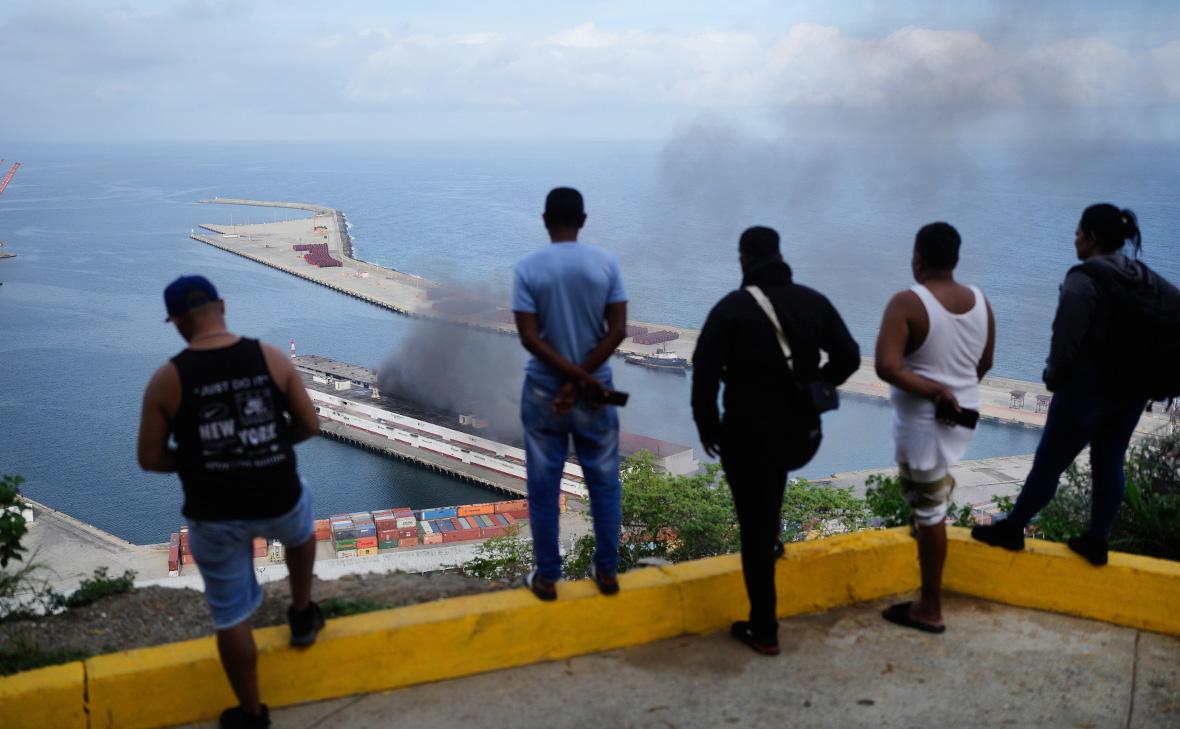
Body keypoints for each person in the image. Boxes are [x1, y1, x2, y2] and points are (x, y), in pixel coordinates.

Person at [137, 275, 324, 729]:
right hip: (277, 493)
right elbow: (309, 426)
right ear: (223, 305)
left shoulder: (167, 379)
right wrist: (267, 448)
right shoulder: (271, 357)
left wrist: (204, 461)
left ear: (175, 321)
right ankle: (301, 613)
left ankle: (251, 714)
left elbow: (150, 457)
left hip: (214, 510)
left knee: (231, 615)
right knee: (300, 530)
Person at [692, 226, 859, 655]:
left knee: (753, 528)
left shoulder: (730, 309)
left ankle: (764, 629)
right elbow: (850, 355)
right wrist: (817, 387)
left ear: (743, 260)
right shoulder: (813, 301)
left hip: (746, 437)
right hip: (802, 435)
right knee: (771, 491)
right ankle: (771, 540)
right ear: (780, 254)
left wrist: (709, 429)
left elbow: (705, 377)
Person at [972, 205, 1151, 566]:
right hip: (1132, 390)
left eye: (1078, 233)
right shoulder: (1140, 276)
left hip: (1086, 389)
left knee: (1050, 462)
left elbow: (1066, 333)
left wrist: (1055, 377)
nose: (1075, 240)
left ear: (1092, 237)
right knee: (1110, 461)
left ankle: (1013, 528)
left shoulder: (1085, 278)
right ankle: (1097, 539)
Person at [875, 223, 995, 634]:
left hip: (926, 423)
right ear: (956, 259)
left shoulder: (907, 302)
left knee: (929, 513)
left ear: (917, 257)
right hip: (962, 417)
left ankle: (930, 608)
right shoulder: (981, 301)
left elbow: (887, 366)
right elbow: (984, 363)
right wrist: (956, 390)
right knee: (925, 493)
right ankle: (928, 583)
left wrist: (937, 391)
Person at [512, 187, 628, 601]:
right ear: (583, 220)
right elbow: (618, 331)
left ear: (545, 220)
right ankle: (608, 572)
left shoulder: (528, 267)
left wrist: (565, 381)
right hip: (597, 391)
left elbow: (528, 336)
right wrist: (582, 379)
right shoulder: (606, 263)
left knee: (544, 487)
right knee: (604, 483)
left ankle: (547, 578)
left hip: (543, 392)